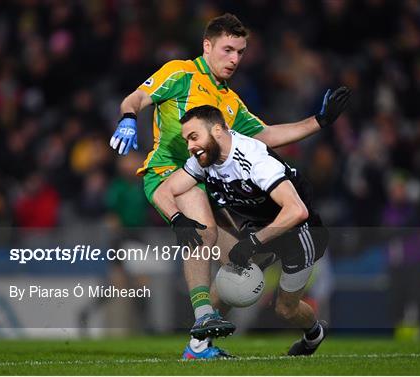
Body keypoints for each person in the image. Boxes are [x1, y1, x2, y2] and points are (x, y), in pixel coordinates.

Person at [109, 13, 349, 359]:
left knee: (240, 270)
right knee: (202, 233)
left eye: (240, 52)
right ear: (207, 46)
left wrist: (319, 121)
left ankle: (198, 346)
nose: (235, 59)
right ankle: (204, 316)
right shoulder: (180, 73)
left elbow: (265, 134)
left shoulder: (230, 103)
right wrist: (128, 119)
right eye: (228, 50)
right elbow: (134, 99)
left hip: (207, 184)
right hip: (168, 173)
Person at [153, 105, 330, 358]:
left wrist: (254, 241)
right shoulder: (204, 159)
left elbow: (296, 211)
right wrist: (177, 218)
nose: (190, 146)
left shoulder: (253, 159)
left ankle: (313, 333)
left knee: (285, 309)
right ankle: (198, 348)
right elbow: (162, 192)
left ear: (217, 130)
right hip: (260, 227)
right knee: (229, 281)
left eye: (193, 137)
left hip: (300, 232)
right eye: (186, 140)